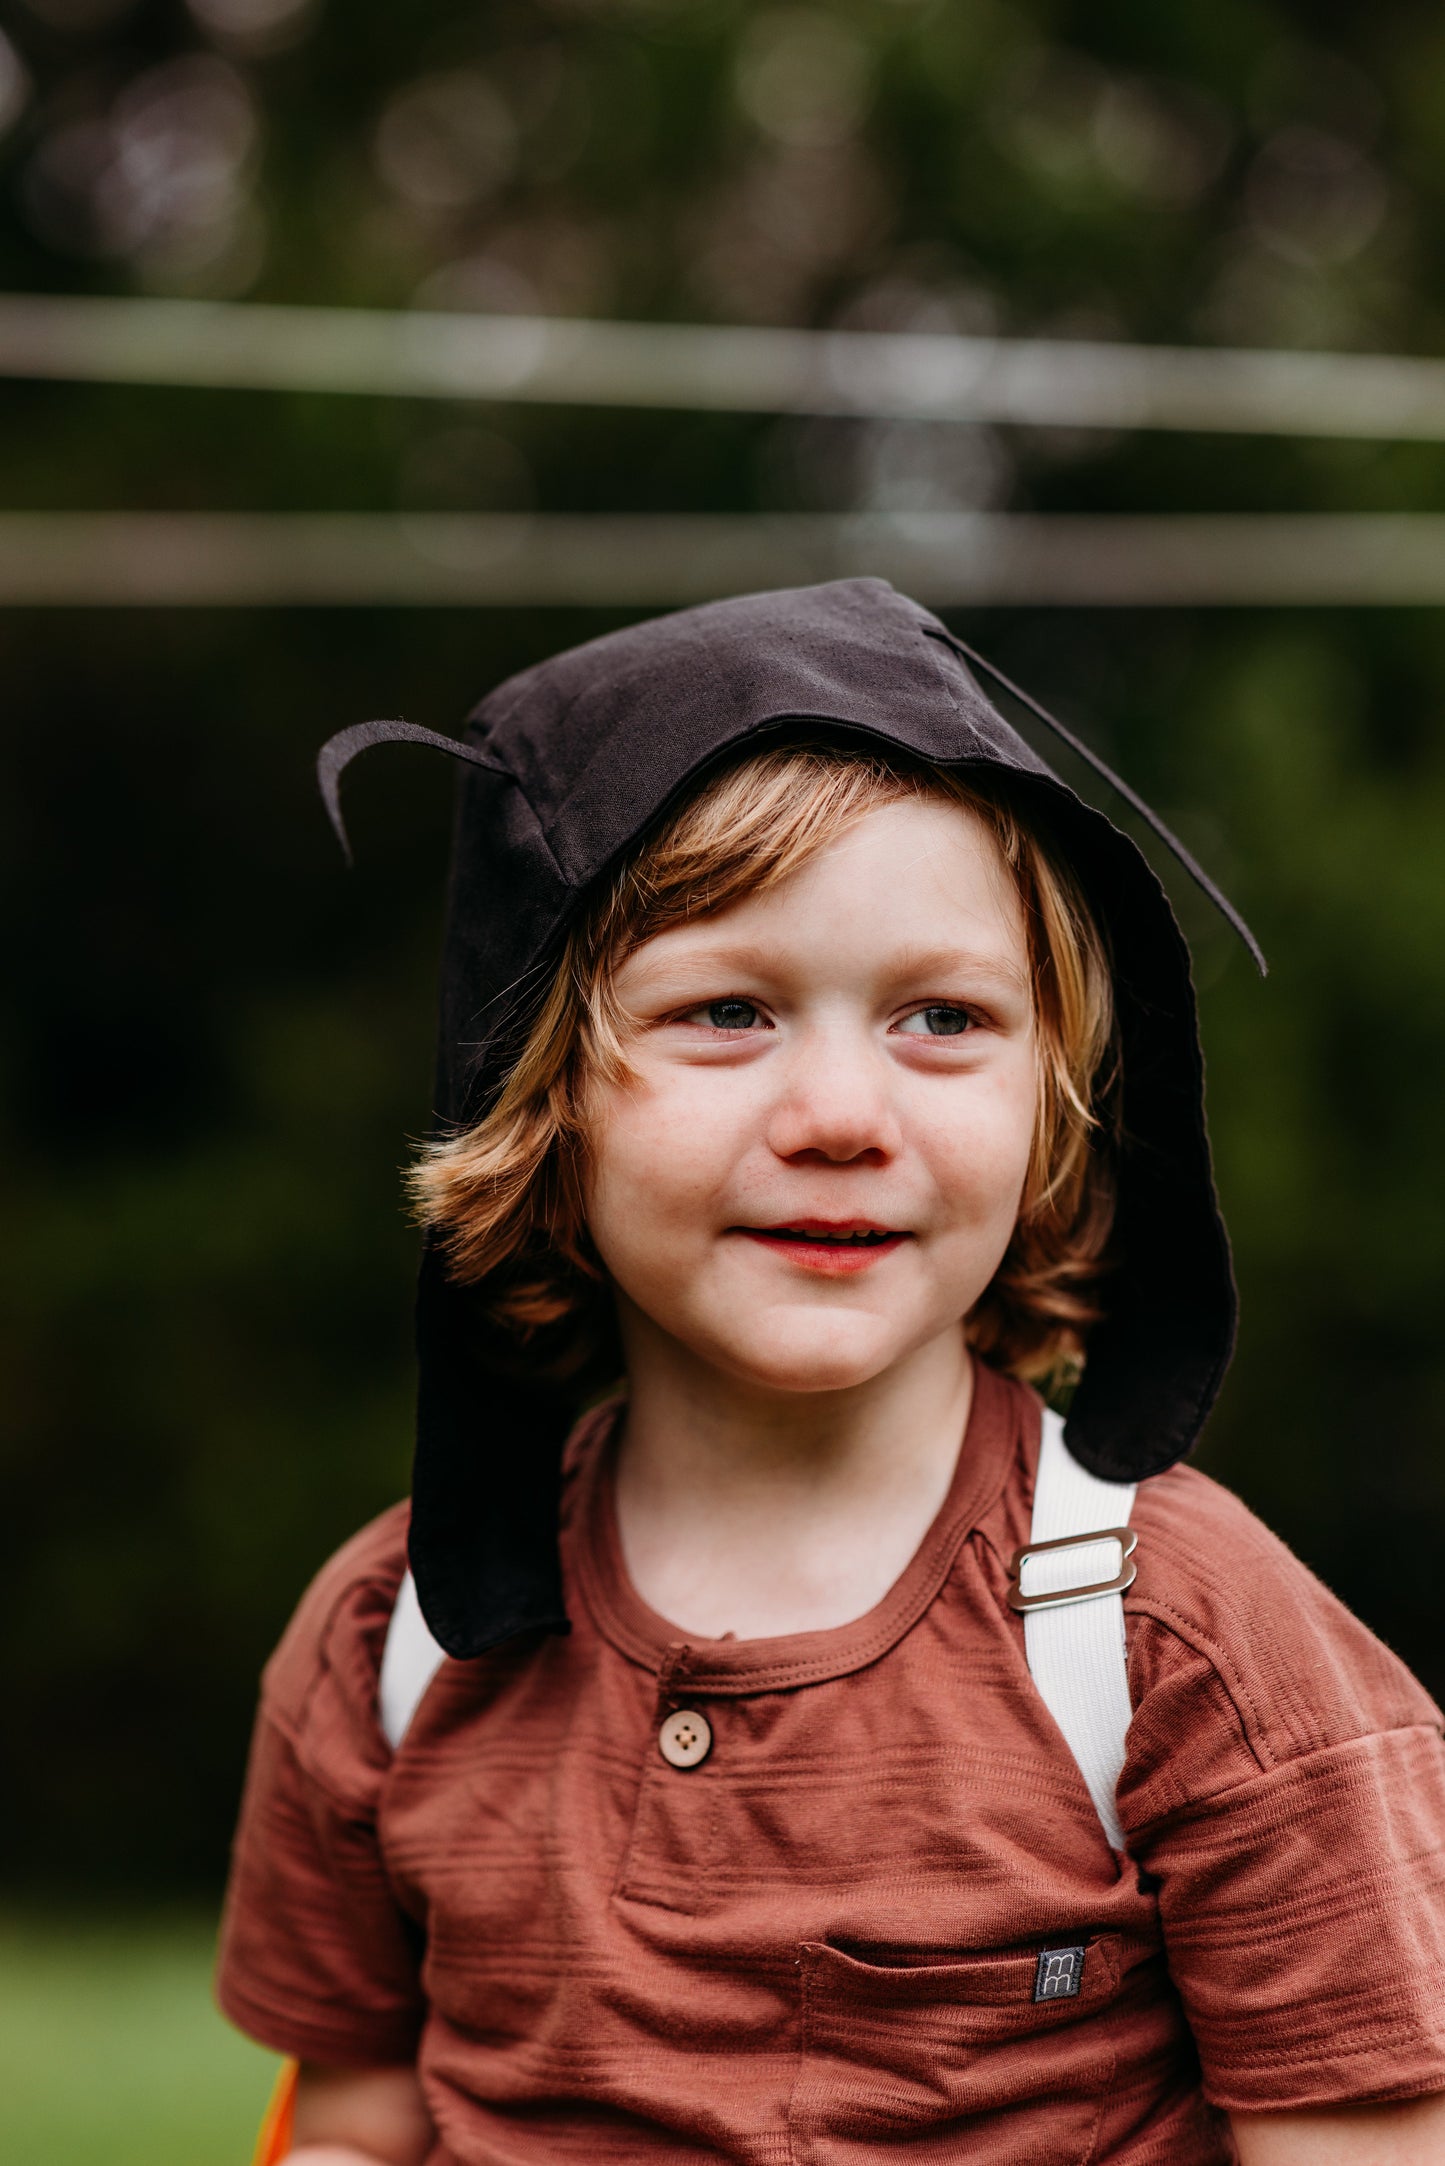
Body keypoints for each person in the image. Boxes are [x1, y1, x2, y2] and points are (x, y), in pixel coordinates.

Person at [216, 579, 1445, 2165]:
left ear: (1053, 1105)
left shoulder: (1177, 1645)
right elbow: (351, 2128)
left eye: (943, 1017)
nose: (841, 1112)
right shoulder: (394, 1642)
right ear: (541, 1092)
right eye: (727, 1009)